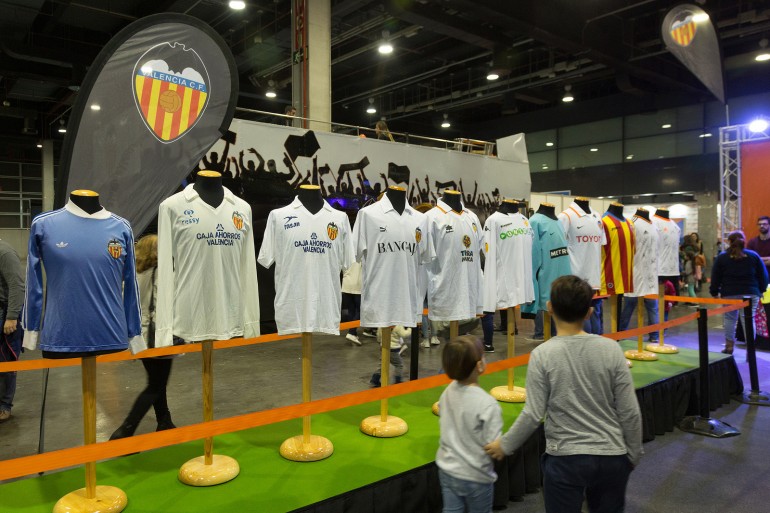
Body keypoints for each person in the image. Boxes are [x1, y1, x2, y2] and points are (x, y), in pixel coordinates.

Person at [484, 275, 642, 513]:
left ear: (549, 308)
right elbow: (629, 411)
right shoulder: (611, 349)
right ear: (589, 312)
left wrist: (504, 445)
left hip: (565, 459)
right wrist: (633, 453)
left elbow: (533, 414)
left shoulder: (542, 355)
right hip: (611, 456)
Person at [110, 234, 176, 439]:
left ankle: (164, 421)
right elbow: (164, 303)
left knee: (156, 381)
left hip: (140, 335)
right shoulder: (160, 273)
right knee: (156, 385)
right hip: (158, 335)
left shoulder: (133, 274)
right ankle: (125, 430)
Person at [436, 336, 503, 513]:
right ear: (480, 365)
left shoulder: (448, 391)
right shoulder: (487, 403)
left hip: (448, 469)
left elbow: (442, 410)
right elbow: (494, 444)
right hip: (476, 475)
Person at [710, 230, 769, 354]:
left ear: (729, 242)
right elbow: (763, 275)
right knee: (749, 319)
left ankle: (729, 347)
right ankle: (750, 350)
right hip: (751, 292)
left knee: (729, 319)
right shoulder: (753, 256)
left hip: (729, 293)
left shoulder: (722, 257)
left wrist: (714, 292)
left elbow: (715, 276)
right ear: (744, 241)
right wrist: (761, 290)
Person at [0, 238, 24, 422]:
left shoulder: (4, 252)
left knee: (6, 362)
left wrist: (11, 317)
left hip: (5, 313)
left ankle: (4, 406)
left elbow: (16, 285)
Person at [342, 261, 362, 345]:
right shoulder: (360, 255)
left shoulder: (345, 254)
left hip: (346, 284)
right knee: (361, 310)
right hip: (357, 285)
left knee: (351, 310)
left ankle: (354, 334)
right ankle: (351, 332)